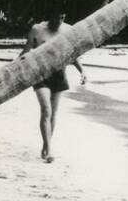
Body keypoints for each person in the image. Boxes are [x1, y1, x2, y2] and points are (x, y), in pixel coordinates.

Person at [22, 13, 85, 163]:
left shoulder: (68, 30)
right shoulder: (37, 29)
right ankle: (49, 150)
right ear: (49, 16)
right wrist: (15, 66)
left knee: (54, 114)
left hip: (59, 73)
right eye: (56, 17)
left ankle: (46, 145)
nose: (59, 21)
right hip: (40, 73)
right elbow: (27, 50)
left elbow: (72, 54)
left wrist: (82, 71)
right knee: (46, 110)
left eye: (62, 17)